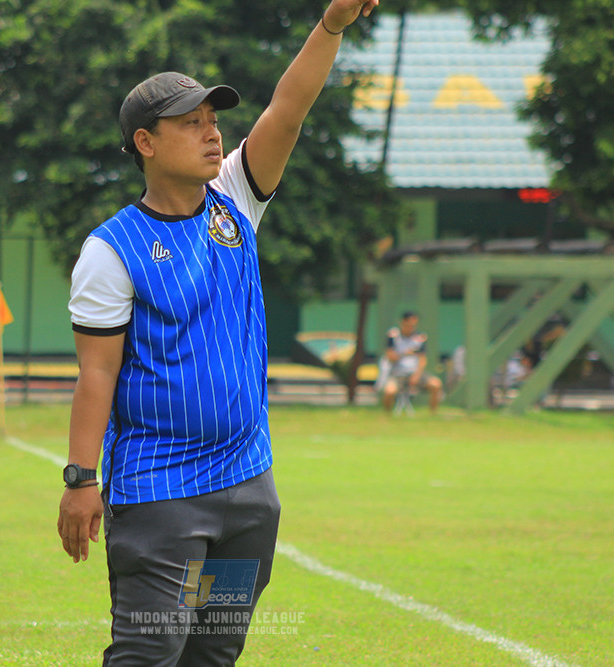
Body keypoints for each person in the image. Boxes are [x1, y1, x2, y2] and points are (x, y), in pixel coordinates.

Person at [58, 1, 380, 664]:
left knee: (212, 654)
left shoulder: (236, 198)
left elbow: (287, 109)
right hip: (159, 498)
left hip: (246, 496)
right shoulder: (110, 250)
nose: (211, 135)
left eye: (213, 121)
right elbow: (98, 373)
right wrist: (79, 478)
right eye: (190, 124)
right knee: (151, 650)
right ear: (145, 142)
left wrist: (332, 27)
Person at [378, 311, 442, 414]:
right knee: (389, 391)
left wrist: (417, 375)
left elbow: (422, 359)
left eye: (414, 325)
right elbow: (390, 356)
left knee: (436, 384)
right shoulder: (393, 336)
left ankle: (433, 413)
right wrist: (405, 353)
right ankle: (387, 415)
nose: (411, 328)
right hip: (397, 373)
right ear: (402, 323)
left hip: (415, 373)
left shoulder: (420, 337)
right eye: (409, 325)